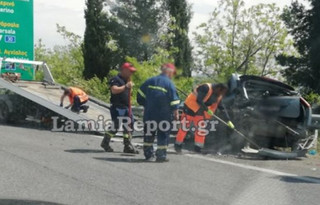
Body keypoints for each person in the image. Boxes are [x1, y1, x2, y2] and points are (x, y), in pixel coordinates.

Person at [137, 63, 180, 162]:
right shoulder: (170, 84)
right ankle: (161, 156)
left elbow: (140, 94)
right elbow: (175, 101)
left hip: (150, 113)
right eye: (173, 73)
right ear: (169, 72)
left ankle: (148, 155)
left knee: (149, 133)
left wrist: (146, 105)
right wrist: (176, 113)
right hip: (163, 115)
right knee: (163, 134)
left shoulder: (150, 81)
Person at [175, 83, 234, 153]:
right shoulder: (206, 87)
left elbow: (222, 108)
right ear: (218, 88)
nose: (222, 94)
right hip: (190, 107)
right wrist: (207, 109)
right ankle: (178, 146)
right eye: (221, 92)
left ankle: (198, 148)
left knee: (201, 129)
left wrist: (228, 120)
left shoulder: (218, 96)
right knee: (184, 128)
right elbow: (199, 100)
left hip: (199, 111)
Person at [100, 62, 138, 154]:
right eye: (130, 71)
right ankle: (105, 142)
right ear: (124, 70)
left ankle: (127, 146)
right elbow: (114, 90)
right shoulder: (116, 79)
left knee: (129, 126)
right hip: (118, 107)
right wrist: (126, 87)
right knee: (116, 126)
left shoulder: (127, 80)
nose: (131, 73)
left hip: (126, 107)